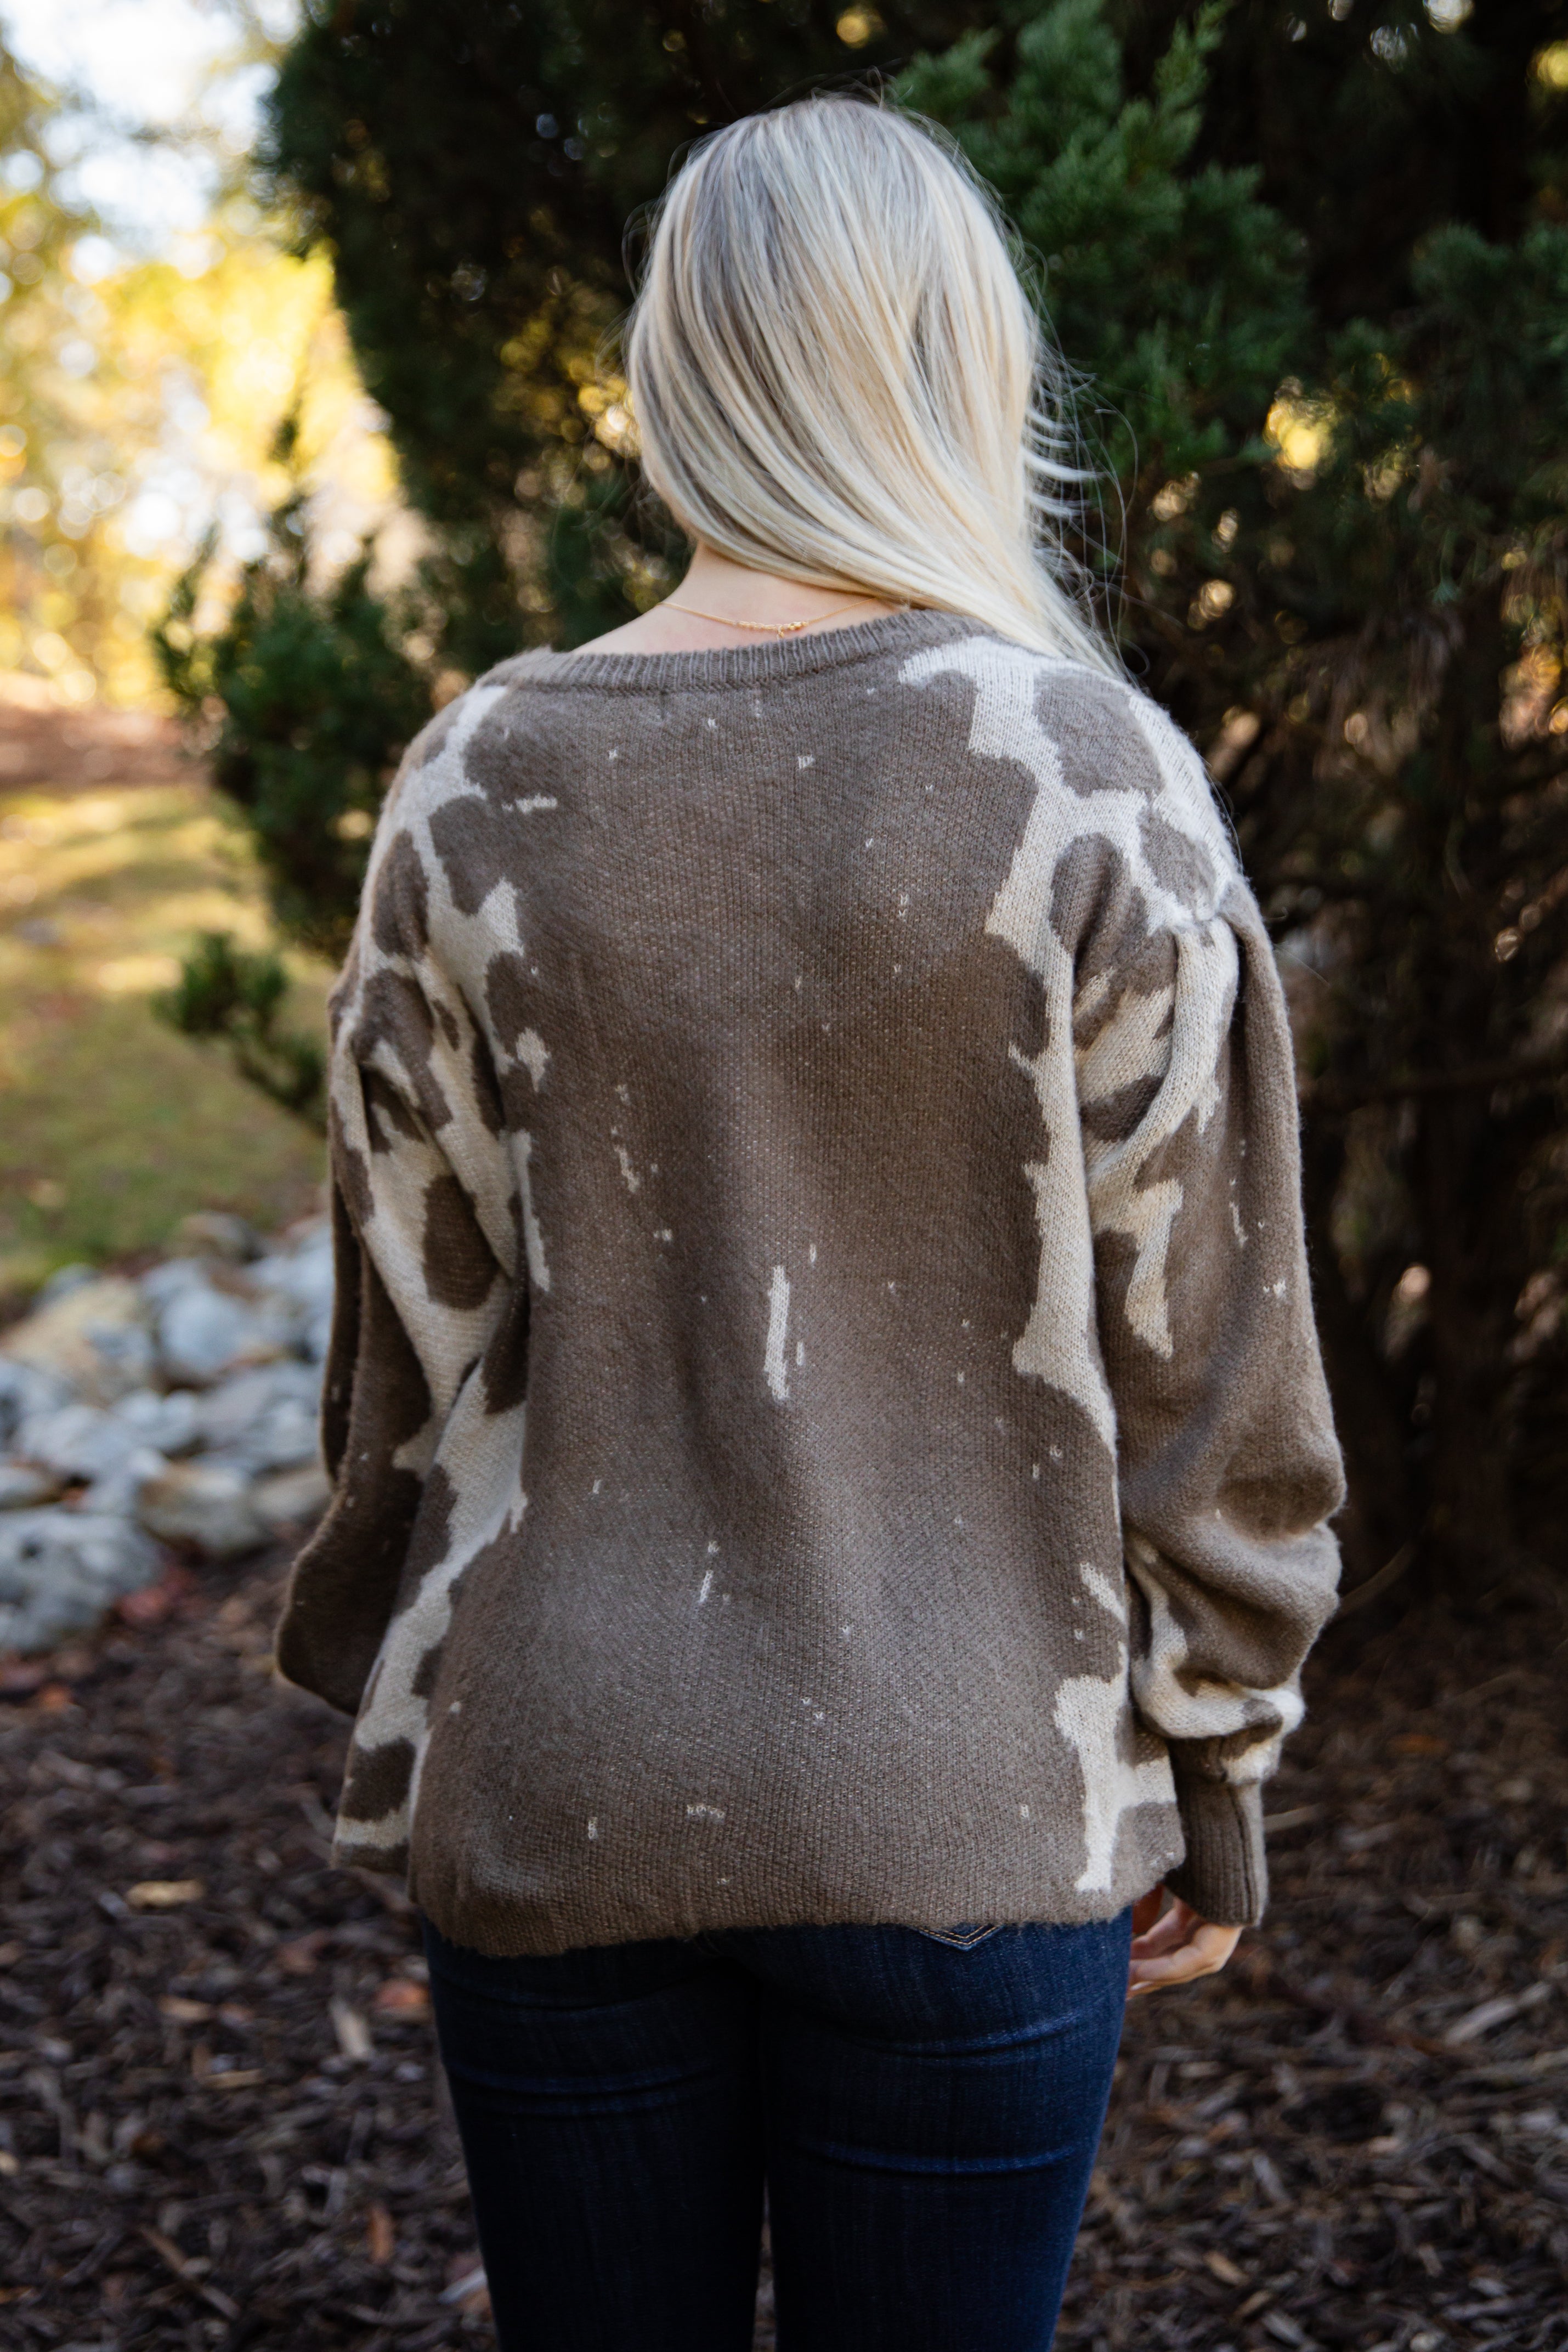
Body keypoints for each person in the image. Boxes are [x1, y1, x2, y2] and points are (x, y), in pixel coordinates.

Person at [276, 93, 1344, 2352]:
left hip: (560, 1775)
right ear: (960, 366)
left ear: (673, 374)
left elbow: (404, 1347)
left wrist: (394, 1713)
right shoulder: (1089, 776)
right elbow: (1216, 1365)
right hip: (975, 1809)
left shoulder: (478, 777)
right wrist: (1218, 1761)